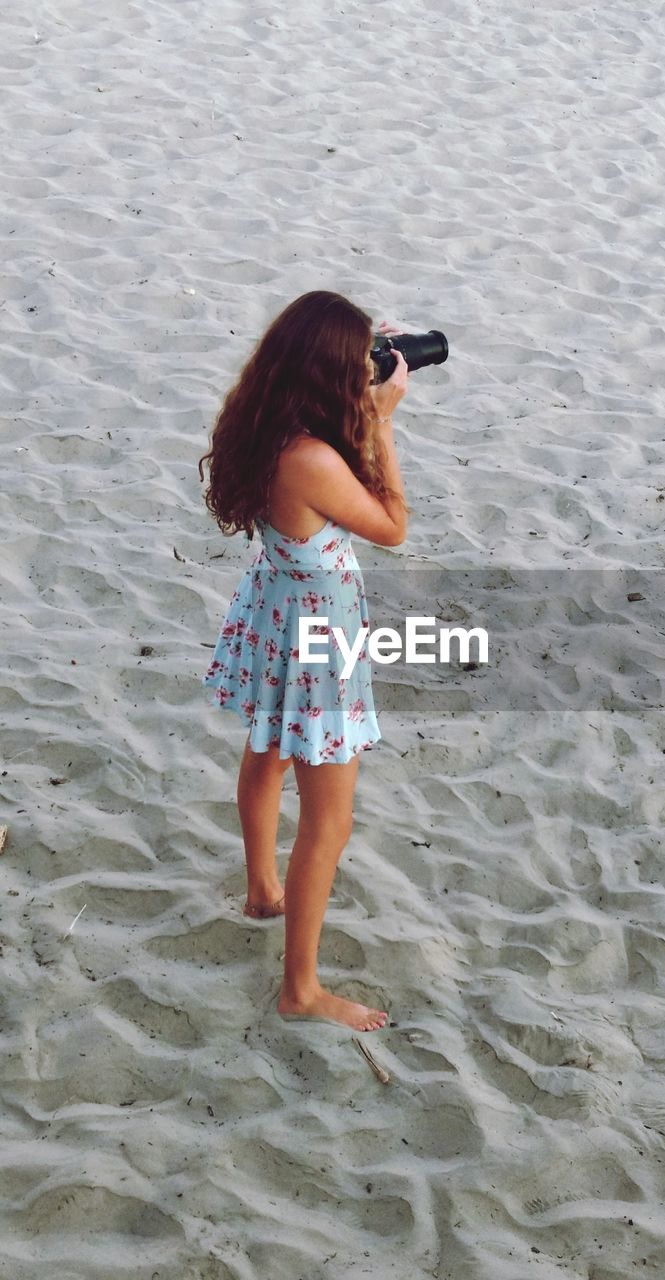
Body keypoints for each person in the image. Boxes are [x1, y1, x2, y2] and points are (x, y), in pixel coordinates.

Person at [198, 291, 408, 1032]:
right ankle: (303, 990)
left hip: (276, 612)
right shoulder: (313, 458)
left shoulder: (268, 423)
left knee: (267, 752)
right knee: (329, 824)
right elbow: (391, 526)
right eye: (357, 364)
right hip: (316, 641)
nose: (369, 373)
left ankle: (261, 888)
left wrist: (362, 398)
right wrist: (382, 420)